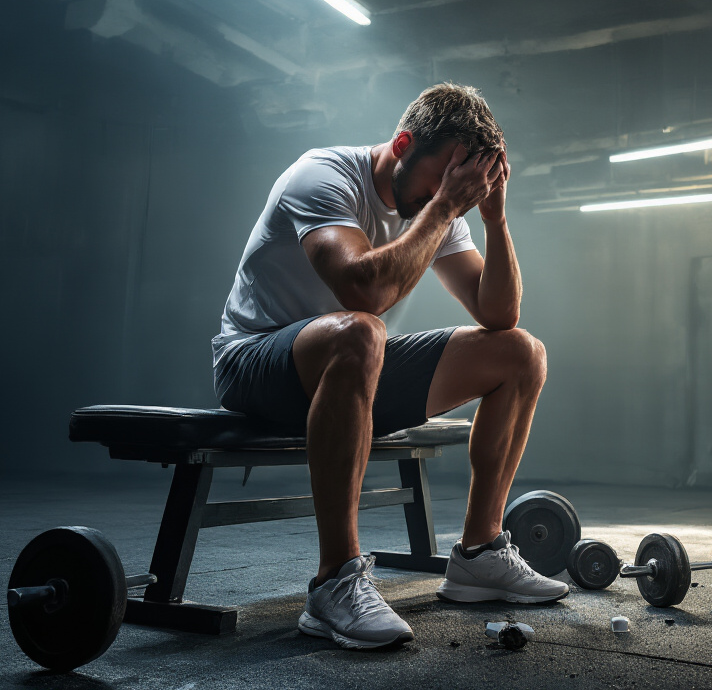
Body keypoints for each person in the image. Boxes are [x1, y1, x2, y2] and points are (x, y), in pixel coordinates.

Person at [211, 83, 566, 650]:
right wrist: (447, 204)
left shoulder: (437, 206)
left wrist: (494, 219)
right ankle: (335, 581)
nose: (443, 198)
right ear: (402, 144)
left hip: (354, 360)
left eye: (457, 189)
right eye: (439, 182)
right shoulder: (323, 175)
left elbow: (498, 312)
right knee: (361, 328)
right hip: (255, 359)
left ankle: (478, 553)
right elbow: (362, 289)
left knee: (521, 353)